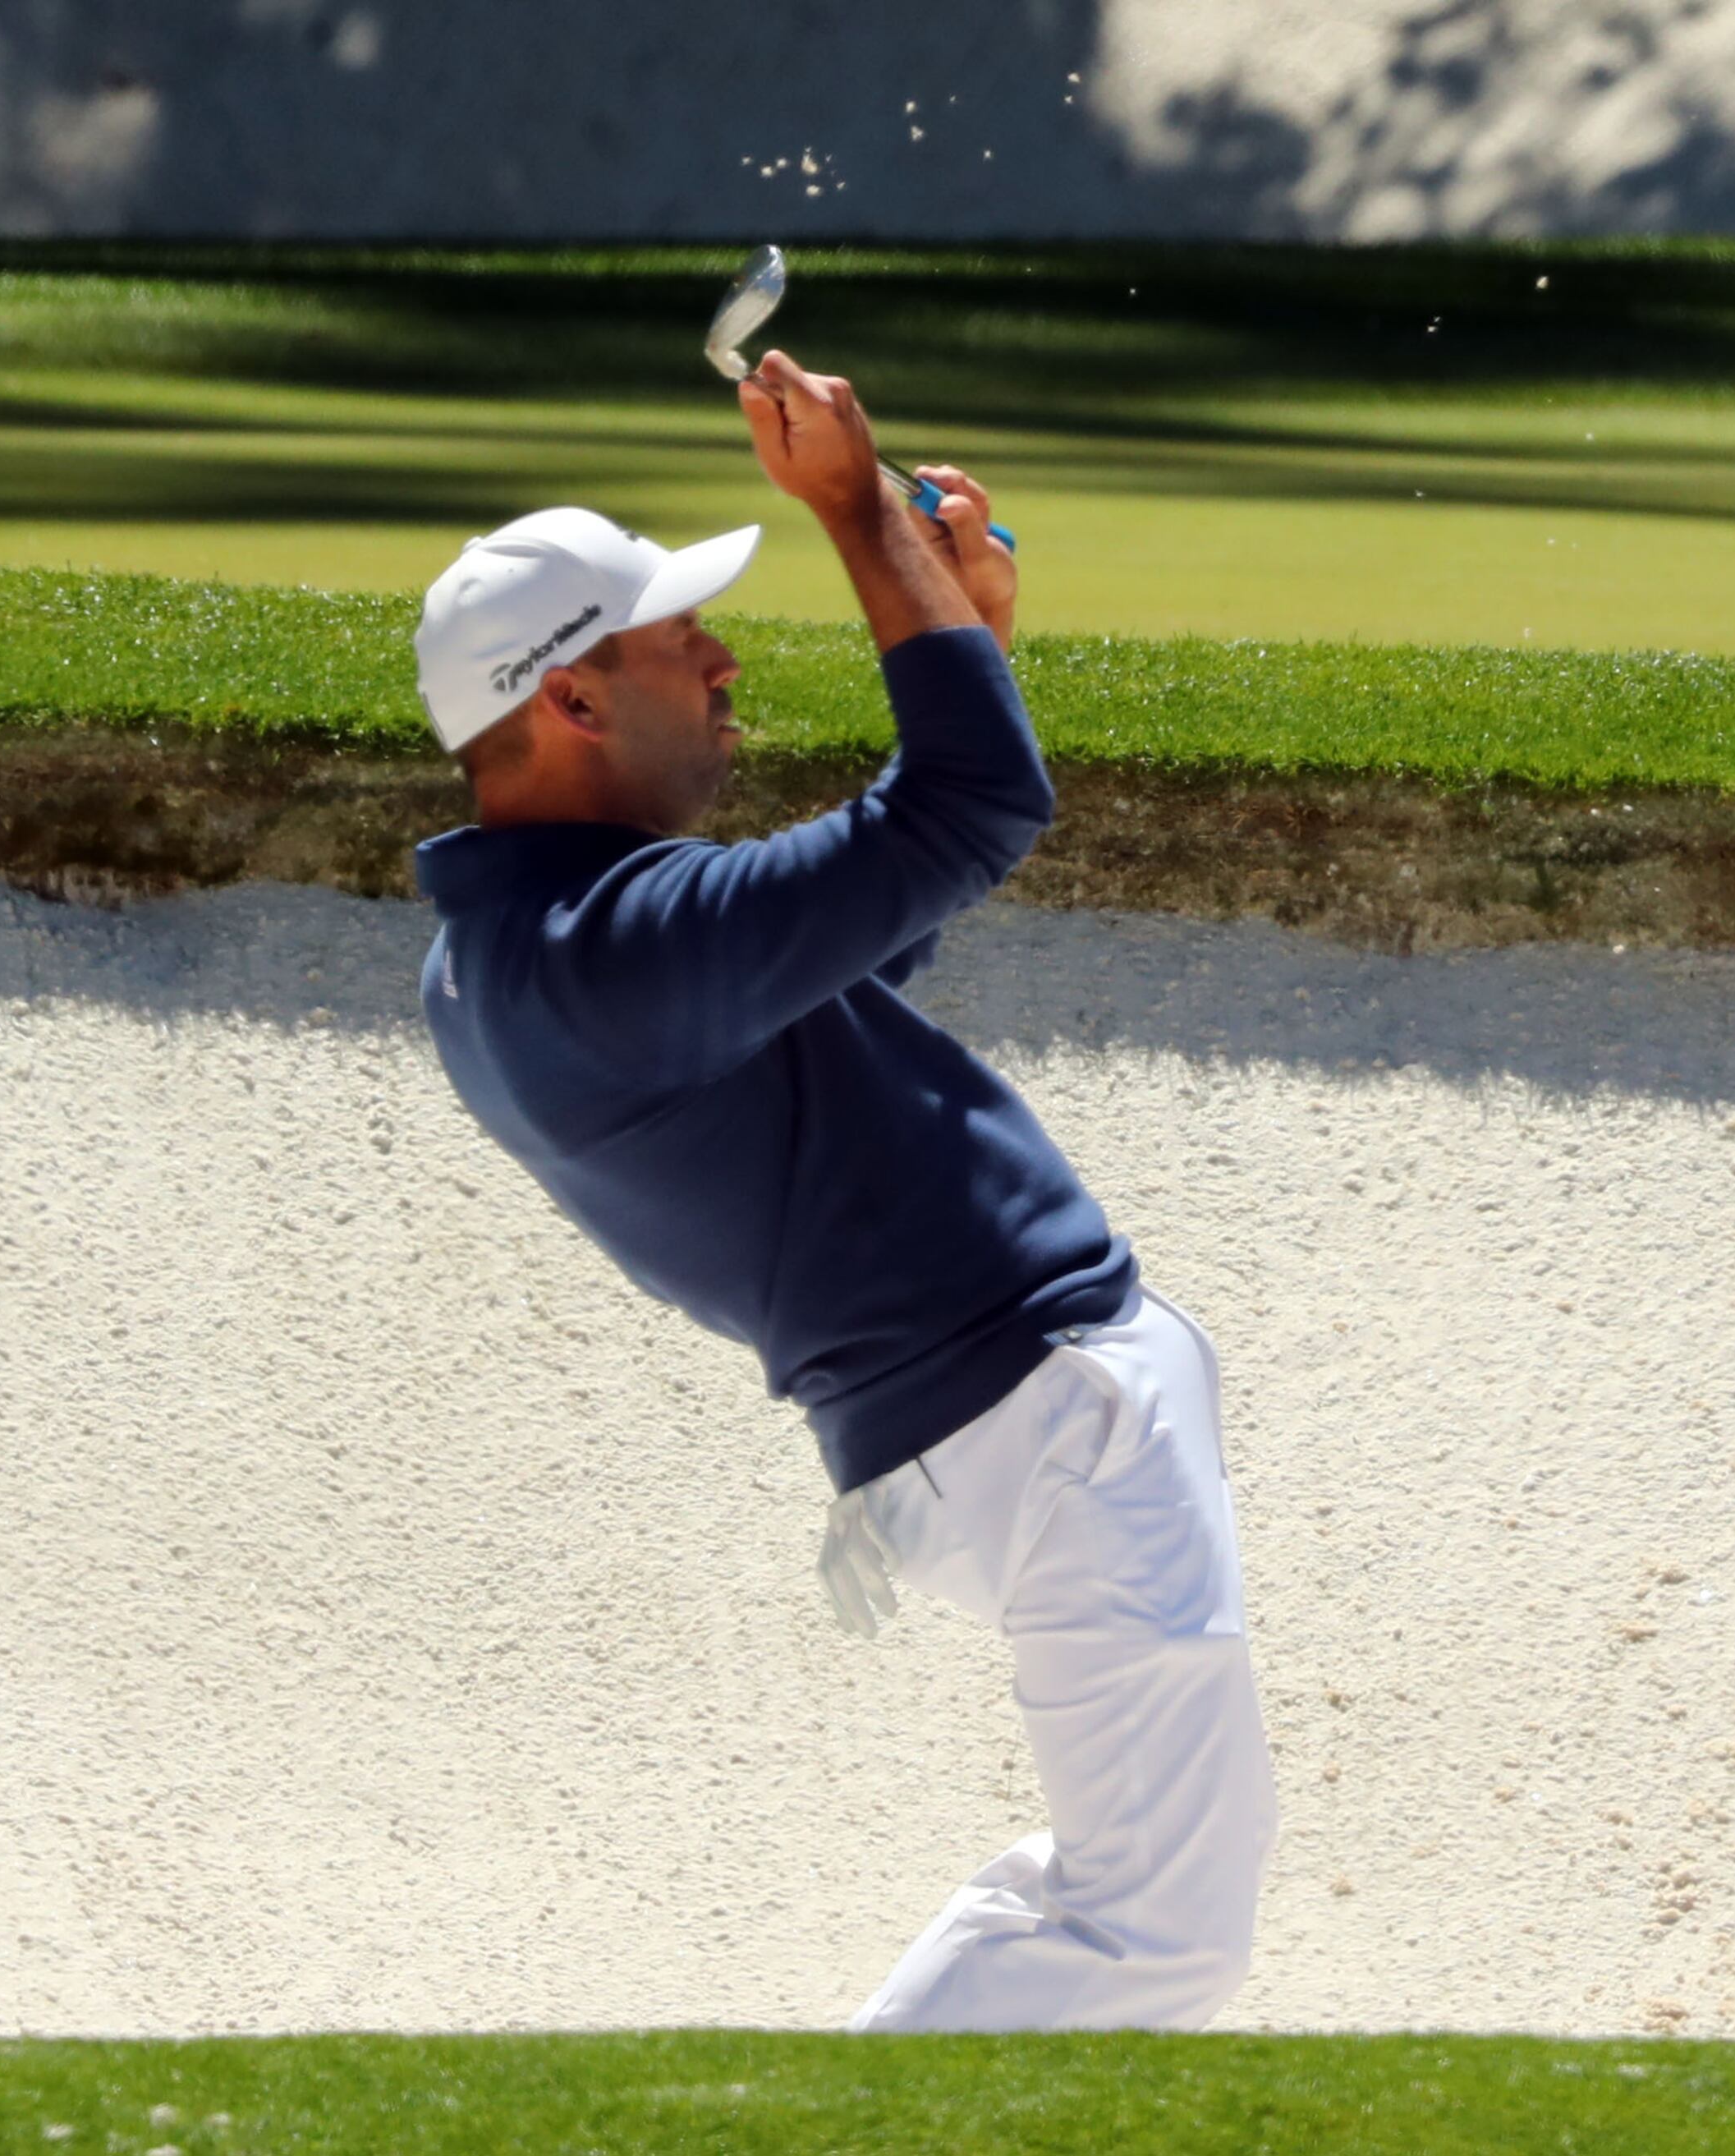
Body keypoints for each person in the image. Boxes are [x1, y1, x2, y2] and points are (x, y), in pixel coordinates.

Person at [405, 348, 1277, 2031]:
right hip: (1035, 1425)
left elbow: (859, 936)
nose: (724, 657)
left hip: (1002, 1427)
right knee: (1156, 1934)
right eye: (678, 637)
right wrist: (863, 514)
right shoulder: (602, 949)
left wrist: (970, 637)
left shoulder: (527, 941)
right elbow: (972, 805)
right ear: (570, 701)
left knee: (1101, 1908)